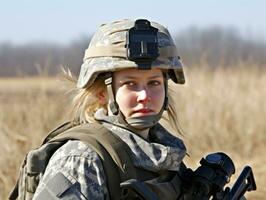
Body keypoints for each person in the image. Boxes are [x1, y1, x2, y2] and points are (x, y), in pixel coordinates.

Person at [33, 18, 187, 199]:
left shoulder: (167, 155)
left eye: (154, 83)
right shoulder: (82, 160)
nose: (144, 95)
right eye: (130, 84)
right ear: (102, 93)